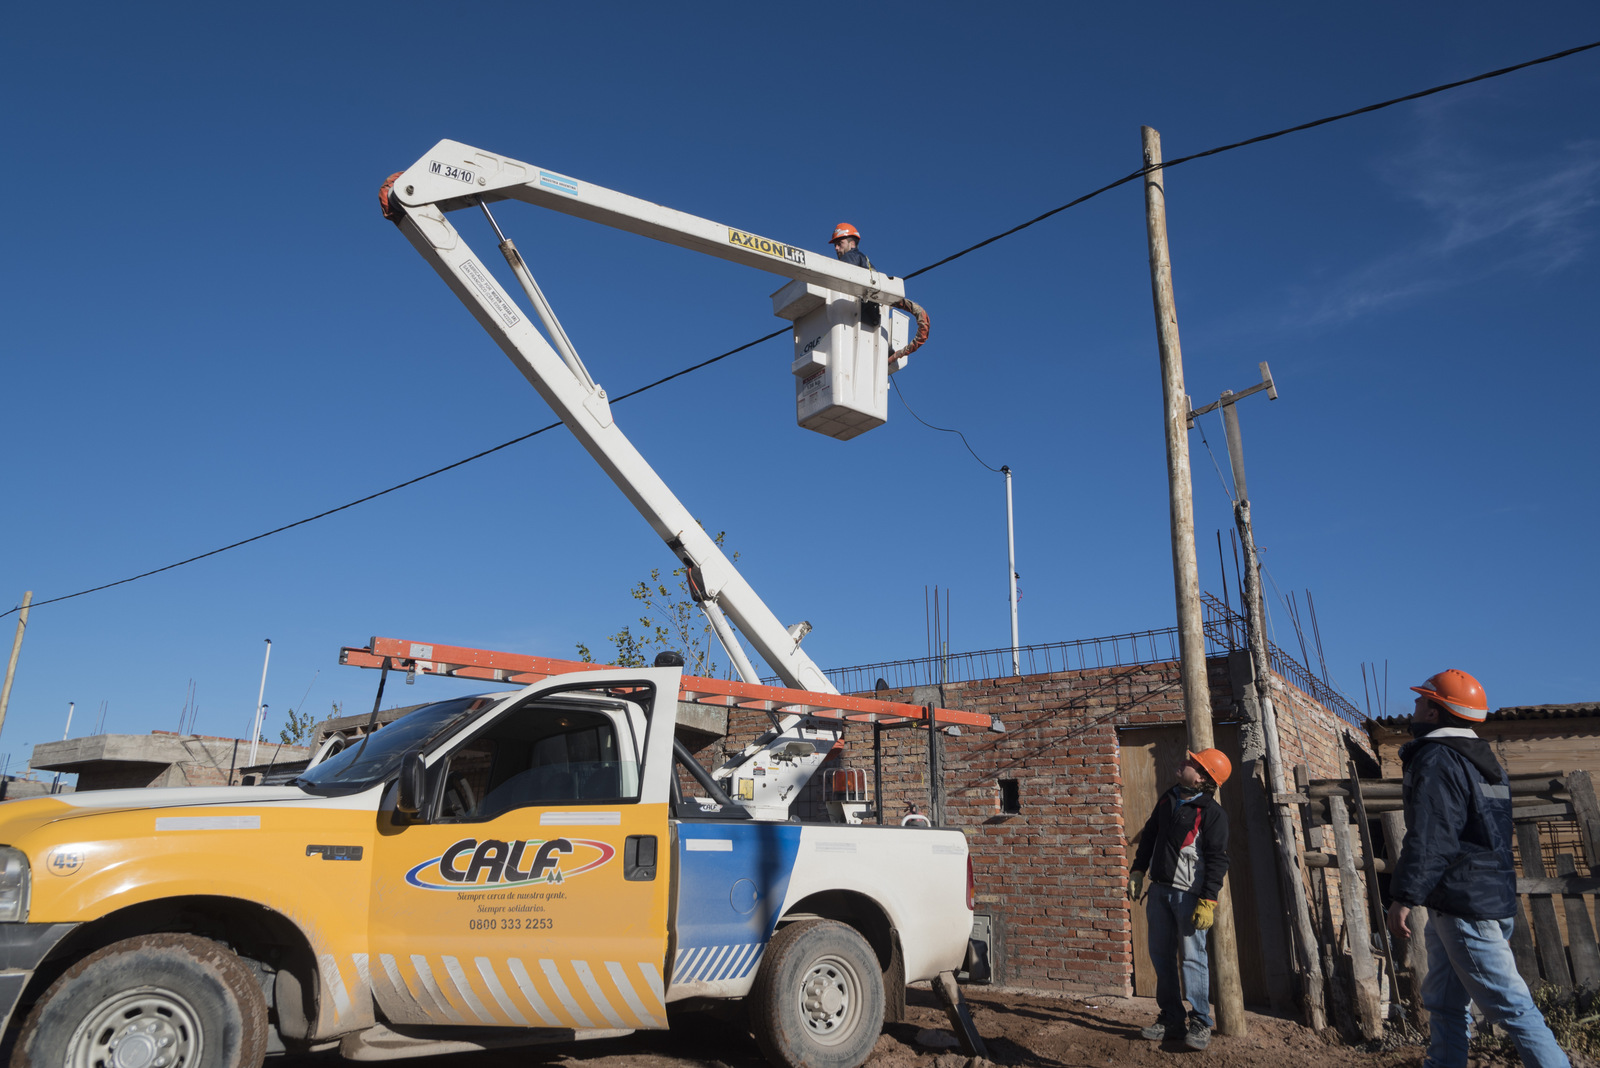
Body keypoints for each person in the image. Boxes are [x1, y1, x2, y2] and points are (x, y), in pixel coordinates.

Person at [1386, 670, 1569, 1068]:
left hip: (1464, 907)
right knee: (1447, 1003)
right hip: (1482, 900)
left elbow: (1432, 835)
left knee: (1513, 1009)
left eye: (1420, 700)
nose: (1413, 707)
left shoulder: (1436, 758)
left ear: (1435, 712)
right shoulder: (1486, 763)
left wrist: (1403, 896)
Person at [1128, 747, 1232, 1051]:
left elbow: (1218, 860)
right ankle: (1171, 1017)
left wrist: (1208, 900)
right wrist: (1138, 869)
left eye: (1193, 763)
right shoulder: (1169, 797)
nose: (1184, 763)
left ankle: (1200, 1021)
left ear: (1201, 777)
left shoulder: (1212, 814)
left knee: (1192, 959)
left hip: (1188, 896)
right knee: (1161, 957)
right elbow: (1149, 835)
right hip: (1159, 891)